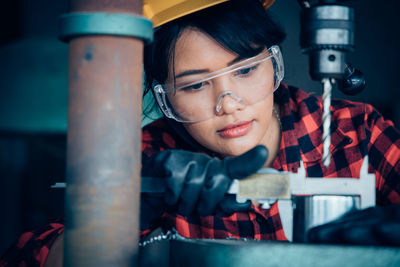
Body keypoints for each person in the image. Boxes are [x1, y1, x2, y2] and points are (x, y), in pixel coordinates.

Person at [1, 0, 400, 266]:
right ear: (161, 96)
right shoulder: (142, 157)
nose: (227, 104)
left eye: (244, 70)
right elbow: (25, 258)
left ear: (272, 61)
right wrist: (122, 216)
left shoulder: (355, 132)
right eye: (193, 86)